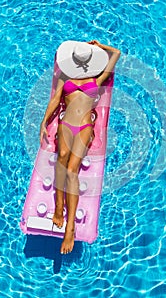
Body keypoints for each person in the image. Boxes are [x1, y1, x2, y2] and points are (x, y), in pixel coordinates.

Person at [39, 40, 120, 254]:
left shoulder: (98, 77)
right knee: (61, 161)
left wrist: (100, 45)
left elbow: (117, 54)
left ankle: (70, 227)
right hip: (66, 123)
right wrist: (44, 122)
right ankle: (58, 208)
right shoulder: (64, 77)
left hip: (85, 126)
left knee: (72, 171)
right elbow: (56, 100)